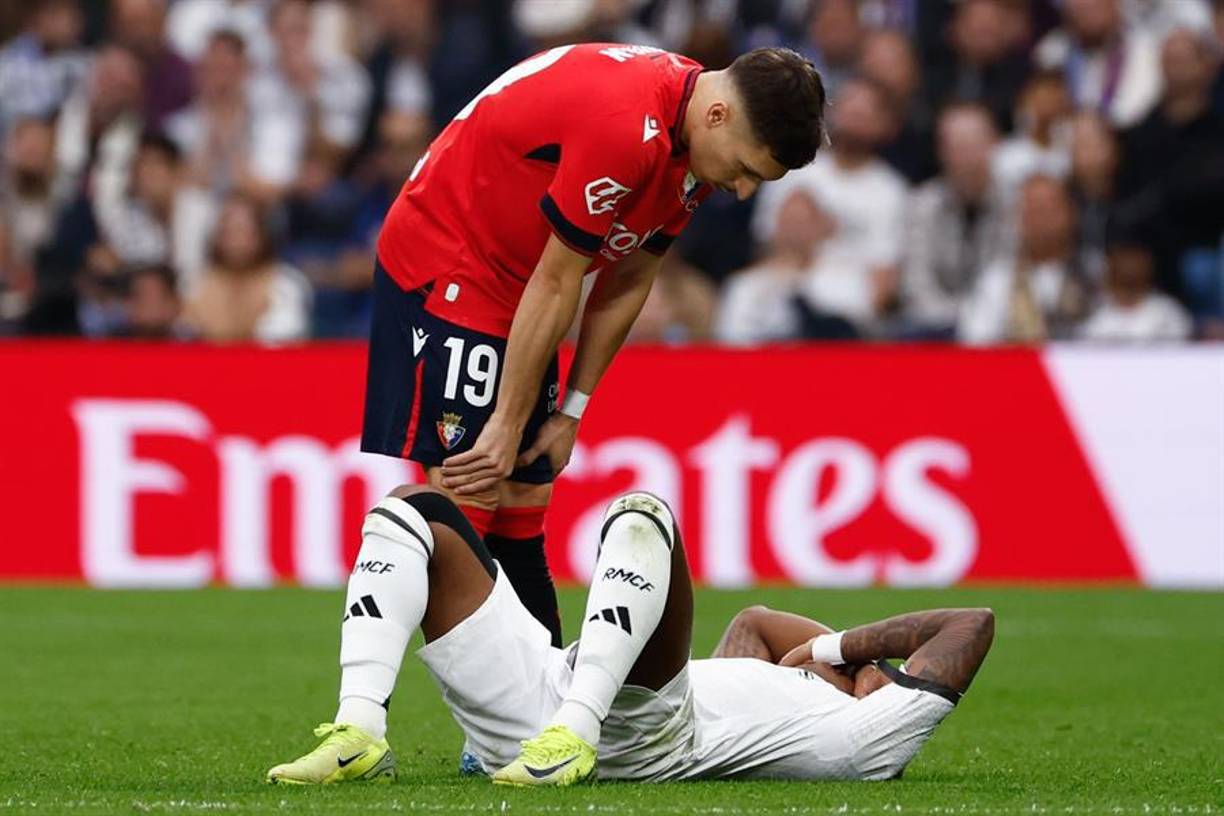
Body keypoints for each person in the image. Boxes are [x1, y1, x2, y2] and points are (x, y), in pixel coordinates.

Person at [361, 43, 827, 648]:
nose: (740, 190)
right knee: (469, 487)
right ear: (720, 116)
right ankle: (431, 720)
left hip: (519, 276)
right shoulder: (624, 128)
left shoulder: (693, 141)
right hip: (451, 256)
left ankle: (539, 704)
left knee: (526, 488)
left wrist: (571, 410)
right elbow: (558, 281)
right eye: (744, 169)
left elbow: (630, 276)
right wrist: (506, 420)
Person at [265, 488, 994, 785]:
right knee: (414, 509)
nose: (881, 667)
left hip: (641, 738)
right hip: (539, 707)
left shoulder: (873, 743)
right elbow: (755, 622)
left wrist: (844, 655)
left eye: (891, 667)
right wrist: (842, 655)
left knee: (644, 514)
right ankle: (360, 728)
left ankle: (574, 737)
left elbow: (970, 623)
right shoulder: (802, 681)